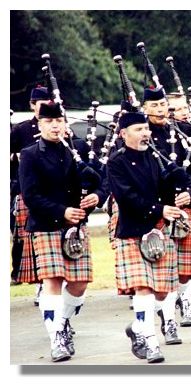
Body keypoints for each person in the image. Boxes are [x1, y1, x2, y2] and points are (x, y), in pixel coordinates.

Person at [19, 102, 105, 362]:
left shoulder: (77, 151)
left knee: (79, 285)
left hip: (76, 227)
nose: (55, 125)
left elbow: (102, 180)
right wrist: (62, 211)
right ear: (40, 124)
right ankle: (57, 337)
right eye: (49, 121)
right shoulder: (30, 154)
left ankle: (63, 321)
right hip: (47, 225)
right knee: (53, 280)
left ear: (65, 123)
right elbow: (31, 196)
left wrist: (96, 196)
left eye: (59, 120)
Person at [107, 111, 188, 363]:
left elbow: (166, 191)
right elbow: (126, 197)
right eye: (138, 129)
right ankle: (152, 344)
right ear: (123, 134)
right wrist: (160, 209)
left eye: (146, 128)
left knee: (162, 293)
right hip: (132, 231)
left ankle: (138, 328)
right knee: (144, 288)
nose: (145, 133)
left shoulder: (156, 157)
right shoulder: (115, 162)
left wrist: (182, 189)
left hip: (158, 231)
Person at [143, 86, 191, 336]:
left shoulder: (183, 133)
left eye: (162, 104)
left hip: (180, 210)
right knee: (162, 273)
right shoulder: (139, 136)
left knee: (183, 271)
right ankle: (168, 320)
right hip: (152, 211)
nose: (159, 109)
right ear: (144, 108)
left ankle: (178, 306)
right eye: (153, 106)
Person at [10, 86, 51, 295]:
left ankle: (48, 283)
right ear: (32, 106)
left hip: (53, 191)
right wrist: (16, 157)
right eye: (40, 104)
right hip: (28, 189)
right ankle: (38, 283)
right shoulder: (21, 129)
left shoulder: (59, 127)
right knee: (30, 239)